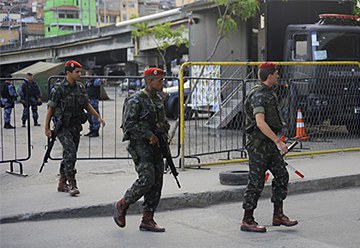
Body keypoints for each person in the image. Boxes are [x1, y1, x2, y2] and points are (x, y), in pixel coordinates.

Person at [241, 62, 298, 233]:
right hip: (259, 146)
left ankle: (278, 215)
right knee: (256, 182)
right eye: (276, 73)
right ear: (269, 75)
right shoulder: (259, 94)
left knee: (282, 175)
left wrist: (276, 141)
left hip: (269, 145)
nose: (278, 75)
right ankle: (247, 219)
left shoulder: (268, 93)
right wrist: (278, 142)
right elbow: (260, 122)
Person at [113, 67, 170, 232]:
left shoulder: (158, 98)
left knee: (157, 182)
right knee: (147, 179)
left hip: (157, 146)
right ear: (150, 81)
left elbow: (162, 122)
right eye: (159, 80)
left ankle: (148, 219)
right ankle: (122, 204)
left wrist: (163, 133)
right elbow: (128, 125)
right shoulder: (135, 100)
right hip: (141, 146)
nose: (162, 83)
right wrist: (147, 135)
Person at [44, 60, 106, 197]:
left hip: (75, 126)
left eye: (80, 71)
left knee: (69, 154)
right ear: (68, 73)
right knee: (70, 152)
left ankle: (61, 182)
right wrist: (47, 128)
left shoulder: (80, 87)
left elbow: (86, 105)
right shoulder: (58, 89)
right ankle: (72, 183)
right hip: (62, 127)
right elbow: (51, 108)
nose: (80, 74)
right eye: (77, 72)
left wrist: (98, 117)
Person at [84, 70, 102, 137]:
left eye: (87, 74)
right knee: (89, 116)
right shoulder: (88, 82)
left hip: (94, 99)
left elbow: (101, 81)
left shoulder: (95, 81)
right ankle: (92, 129)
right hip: (88, 99)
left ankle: (95, 130)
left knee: (94, 115)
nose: (86, 76)